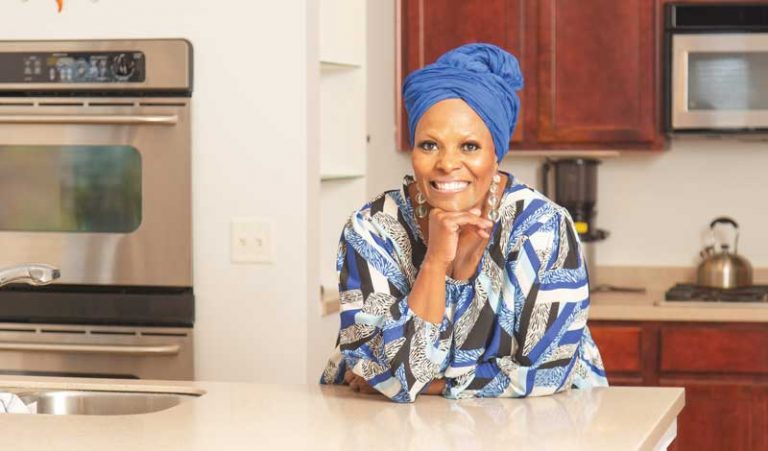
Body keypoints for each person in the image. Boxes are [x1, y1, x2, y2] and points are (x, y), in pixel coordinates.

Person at [320, 43, 607, 403]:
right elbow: (384, 372)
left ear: (496, 154)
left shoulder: (541, 227)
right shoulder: (372, 228)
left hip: (534, 424)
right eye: (429, 145)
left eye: (469, 146)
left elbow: (549, 369)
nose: (446, 164)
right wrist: (437, 261)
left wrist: (439, 385)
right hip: (379, 423)